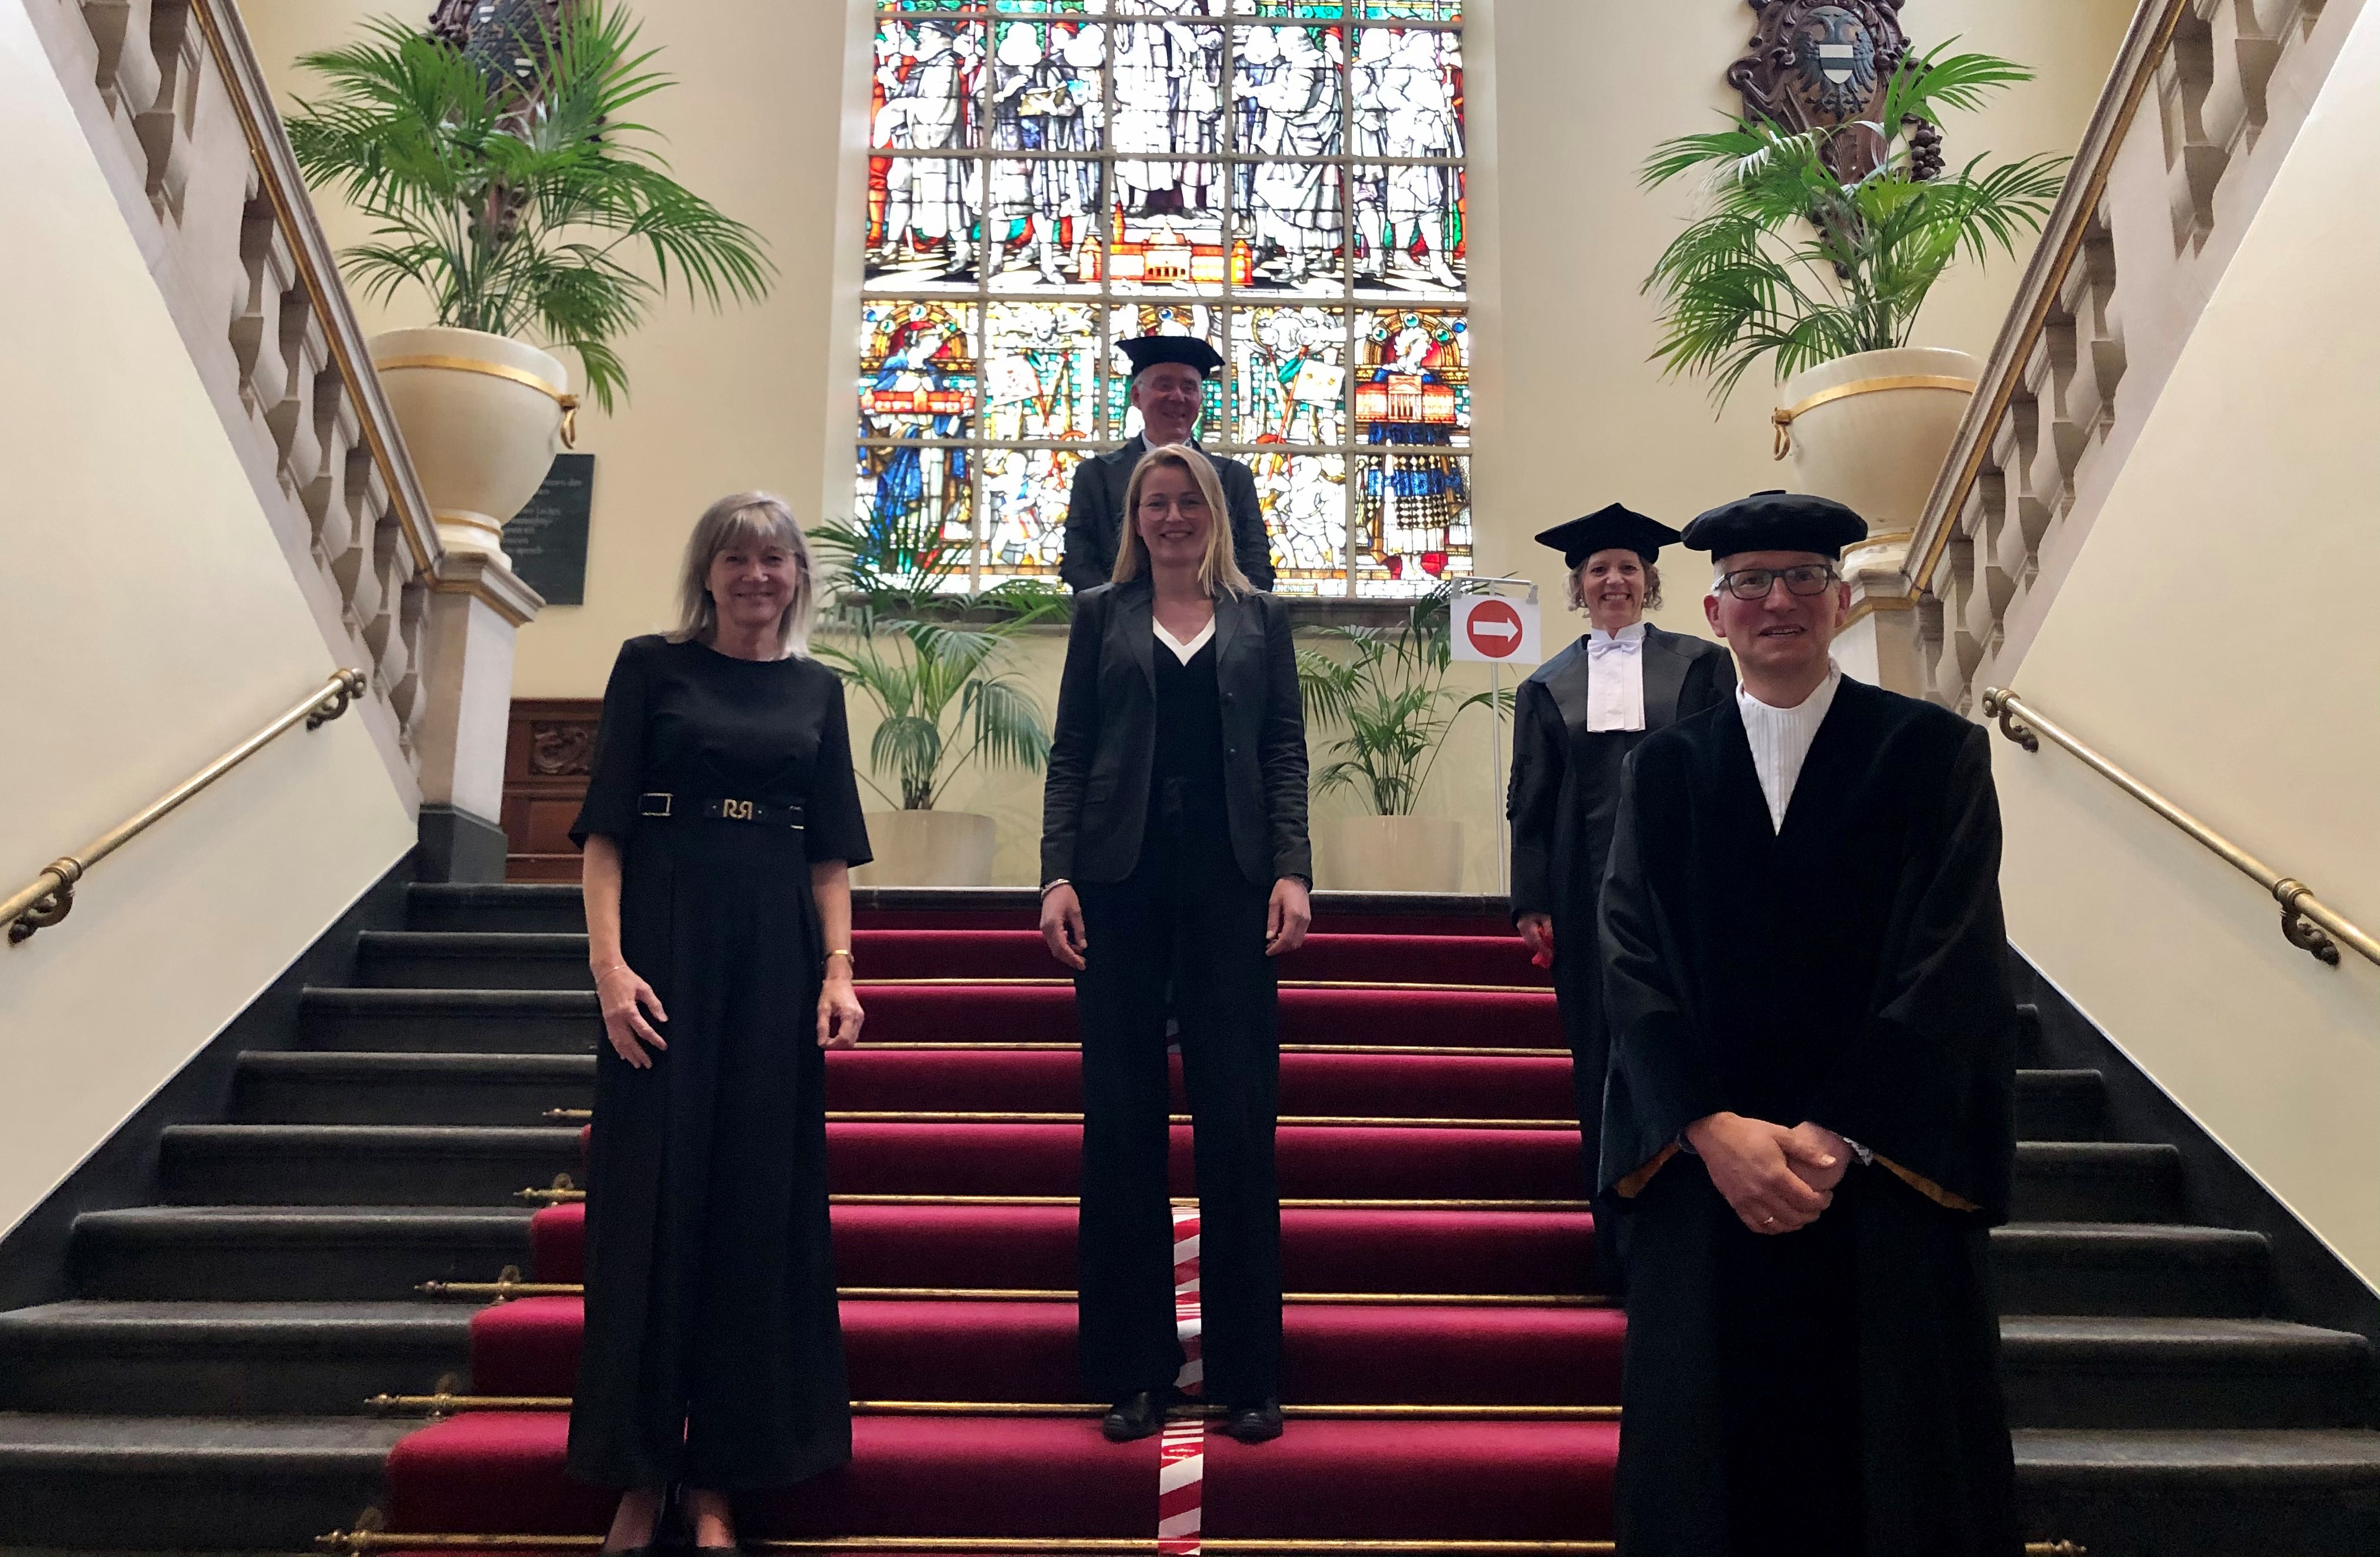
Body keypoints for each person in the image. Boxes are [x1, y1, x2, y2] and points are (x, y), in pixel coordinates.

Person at [1597, 490, 2021, 1556]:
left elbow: (1955, 958)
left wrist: (1840, 1131)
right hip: (1710, 1188)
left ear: (1838, 601)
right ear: (1714, 606)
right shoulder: (1663, 772)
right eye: (1750, 582)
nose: (1775, 599)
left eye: (1798, 579)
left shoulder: (1932, 757)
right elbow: (1629, 962)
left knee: (1897, 1473)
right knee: (1710, 1475)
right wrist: (1707, 1126)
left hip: (1877, 1191)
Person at [567, 494, 873, 1555]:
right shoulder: (651, 667)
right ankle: (638, 1474)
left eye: (777, 559)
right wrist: (608, 970)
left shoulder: (817, 691)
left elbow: (829, 855)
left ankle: (721, 1483)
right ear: (707, 573)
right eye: (738, 558)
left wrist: (837, 969)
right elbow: (603, 836)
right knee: (650, 1209)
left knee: (756, 1210)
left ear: (799, 577)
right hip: (663, 941)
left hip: (774, 952)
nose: (758, 575)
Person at [1038, 443, 1313, 1447]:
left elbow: (1284, 746)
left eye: (1186, 501)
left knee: (1238, 1125)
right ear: (1134, 517)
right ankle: (1133, 1370)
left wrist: (1293, 869)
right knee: (1121, 1126)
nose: (1169, 517)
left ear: (1213, 514)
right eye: (1154, 502)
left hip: (1232, 886)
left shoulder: (1260, 618)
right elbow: (1071, 749)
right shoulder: (1099, 616)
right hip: (1118, 883)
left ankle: (1248, 1371)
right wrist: (1055, 874)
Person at [1504, 503, 1733, 1274]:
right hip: (1580, 890)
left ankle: (1680, 1232)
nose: (1613, 580)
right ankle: (1615, 1242)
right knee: (1596, 1055)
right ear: (1579, 586)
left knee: (1679, 1046)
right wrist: (1531, 901)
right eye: (1598, 569)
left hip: (1683, 890)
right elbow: (1529, 803)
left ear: (1649, 581)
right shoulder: (1547, 685)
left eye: (1628, 568)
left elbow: (1724, 780)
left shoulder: (1700, 665)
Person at [1060, 336, 1274, 592]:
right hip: (1119, 625)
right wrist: (1128, 614)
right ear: (1136, 396)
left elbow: (1255, 564)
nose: (1177, 397)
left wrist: (1216, 615)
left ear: (1200, 399)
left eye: (1189, 387)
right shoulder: (1096, 476)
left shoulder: (1233, 478)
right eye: (1164, 385)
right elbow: (1079, 562)